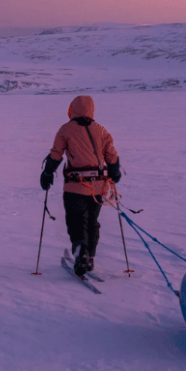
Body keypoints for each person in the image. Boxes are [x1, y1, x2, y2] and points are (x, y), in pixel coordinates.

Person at [40, 95, 121, 276]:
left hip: (75, 186)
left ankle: (80, 251)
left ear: (72, 109)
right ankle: (89, 256)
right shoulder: (101, 130)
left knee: (76, 220)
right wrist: (114, 173)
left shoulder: (66, 129)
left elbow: (56, 154)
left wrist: (47, 173)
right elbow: (112, 156)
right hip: (99, 187)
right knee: (92, 221)